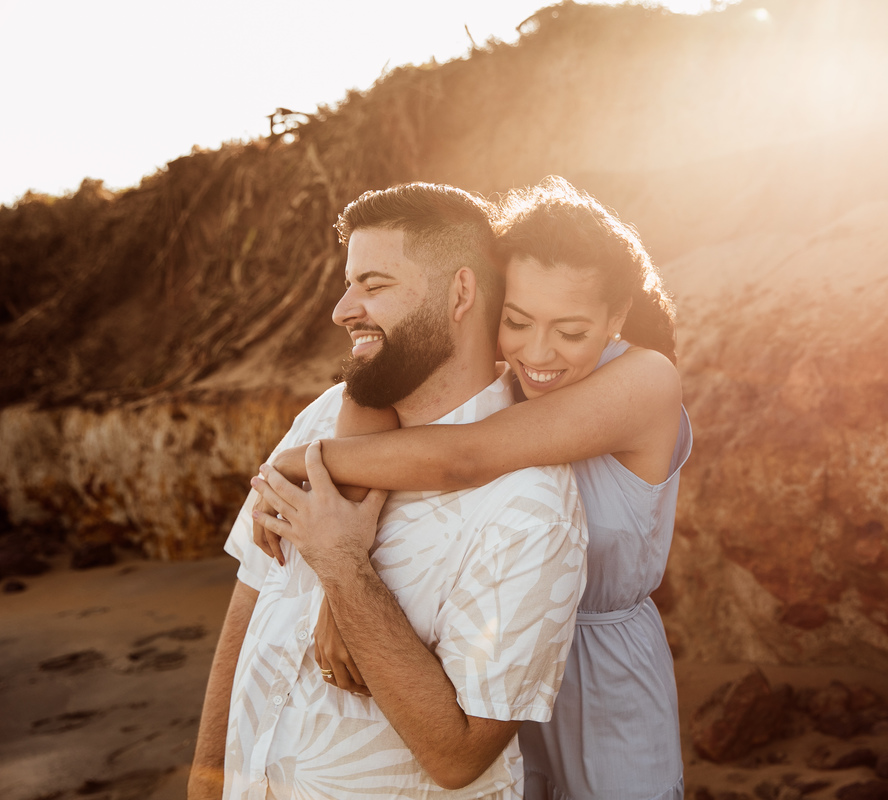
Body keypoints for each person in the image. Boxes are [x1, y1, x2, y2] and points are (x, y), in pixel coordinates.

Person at [260, 177, 690, 800]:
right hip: (479, 657)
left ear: (616, 316)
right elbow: (379, 387)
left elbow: (465, 456)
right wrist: (340, 582)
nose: (538, 352)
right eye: (516, 320)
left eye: (571, 331)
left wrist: (306, 459)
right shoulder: (508, 357)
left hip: (599, 673)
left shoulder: (644, 379)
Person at [188, 182, 588, 799]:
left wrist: (344, 569)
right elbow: (246, 607)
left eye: (373, 286)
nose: (342, 310)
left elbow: (461, 756)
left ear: (460, 292)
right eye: (350, 285)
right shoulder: (322, 419)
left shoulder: (529, 507)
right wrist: (206, 782)